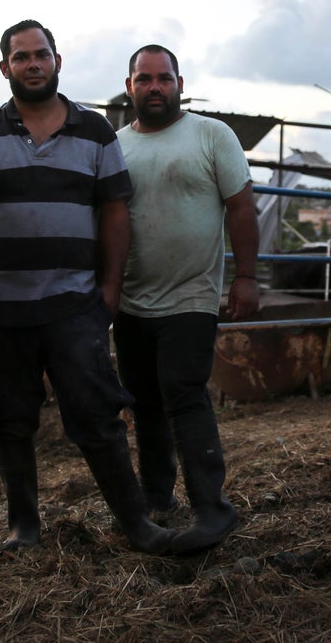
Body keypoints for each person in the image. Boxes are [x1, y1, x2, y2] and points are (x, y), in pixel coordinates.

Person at [0, 19, 174, 555]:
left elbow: (115, 212)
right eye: (20, 57)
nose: (32, 64)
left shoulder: (94, 131)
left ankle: (137, 524)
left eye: (41, 54)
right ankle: (24, 528)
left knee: (96, 413)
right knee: (8, 418)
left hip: (75, 305)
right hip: (2, 309)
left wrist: (110, 290)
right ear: (5, 68)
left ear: (57, 61)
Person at [114, 44, 260, 554]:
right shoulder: (115, 147)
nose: (155, 87)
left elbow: (241, 207)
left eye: (164, 78)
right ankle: (157, 499)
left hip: (192, 295)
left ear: (180, 83)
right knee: (143, 400)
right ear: (130, 86)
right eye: (144, 79)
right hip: (130, 301)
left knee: (182, 391)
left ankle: (211, 508)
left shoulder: (211, 135)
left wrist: (245, 277)